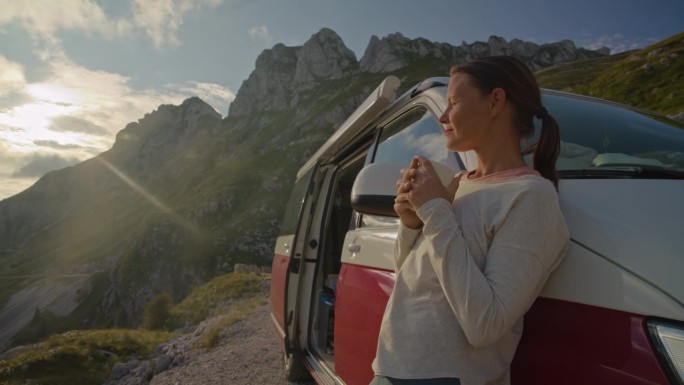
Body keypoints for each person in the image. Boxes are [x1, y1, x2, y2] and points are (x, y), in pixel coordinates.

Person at [370, 56, 570, 385]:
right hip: (393, 368)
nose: (444, 117)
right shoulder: (457, 183)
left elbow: (486, 324)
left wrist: (435, 211)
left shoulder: (531, 196)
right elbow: (414, 281)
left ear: (495, 102)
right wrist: (411, 224)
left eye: (452, 103)